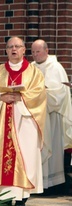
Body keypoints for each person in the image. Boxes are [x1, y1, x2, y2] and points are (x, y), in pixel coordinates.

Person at [0, 36, 47, 206]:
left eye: (17, 46)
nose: (14, 49)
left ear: (24, 50)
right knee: (1, 153)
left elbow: (40, 93)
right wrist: (0, 97)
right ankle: (2, 194)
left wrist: (22, 96)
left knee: (24, 154)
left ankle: (21, 195)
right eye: (10, 46)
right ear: (6, 50)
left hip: (24, 121)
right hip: (2, 118)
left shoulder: (34, 73)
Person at [31, 39, 72, 190]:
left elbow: (61, 93)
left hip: (52, 115)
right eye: (33, 52)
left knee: (51, 149)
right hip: (36, 115)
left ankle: (53, 185)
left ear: (46, 51)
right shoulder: (31, 67)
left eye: (38, 51)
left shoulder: (56, 67)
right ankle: (37, 183)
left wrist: (42, 92)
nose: (35, 55)